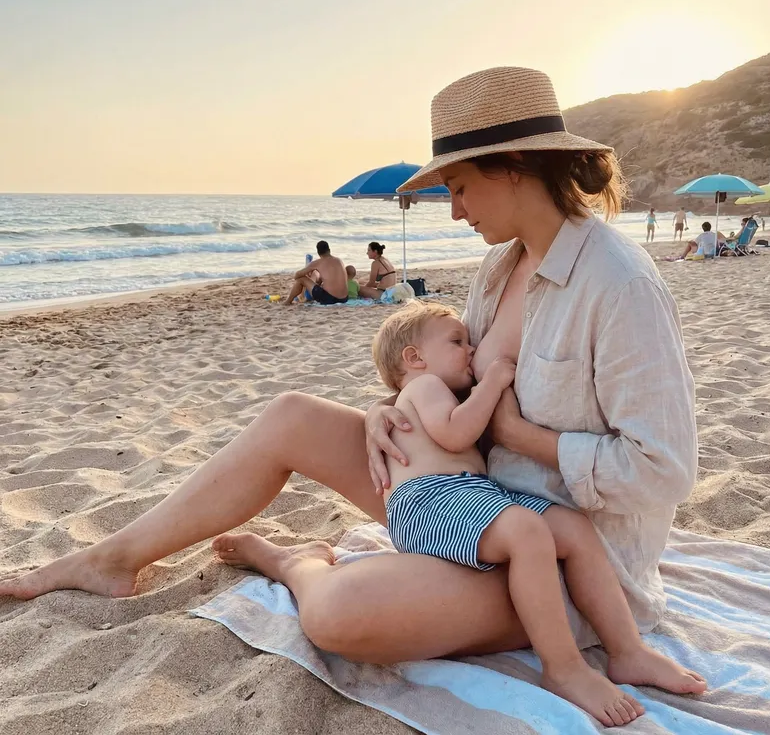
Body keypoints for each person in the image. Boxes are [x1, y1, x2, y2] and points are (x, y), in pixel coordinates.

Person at [0, 68, 706, 728]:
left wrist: (523, 440)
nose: (455, 211)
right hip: (466, 488)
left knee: (340, 615)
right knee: (292, 416)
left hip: (554, 555)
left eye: (459, 187)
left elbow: (664, 470)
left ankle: (291, 561)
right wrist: (386, 412)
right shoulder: (502, 263)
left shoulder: (620, 284)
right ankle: (112, 559)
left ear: (515, 165)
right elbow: (451, 377)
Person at [372, 300, 703, 725]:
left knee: (573, 529)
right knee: (527, 532)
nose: (471, 349)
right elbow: (454, 434)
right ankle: (563, 669)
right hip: (427, 500)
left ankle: (628, 651)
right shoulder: (424, 387)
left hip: (470, 494)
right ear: (414, 358)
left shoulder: (429, 391)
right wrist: (493, 382)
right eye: (457, 341)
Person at [284, 240, 348, 306]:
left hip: (329, 299)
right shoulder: (339, 260)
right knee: (320, 278)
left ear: (318, 253)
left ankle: (288, 301)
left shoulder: (318, 262)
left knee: (301, 279)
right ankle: (306, 294)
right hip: (344, 299)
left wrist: (308, 276)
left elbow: (297, 275)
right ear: (329, 250)